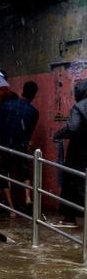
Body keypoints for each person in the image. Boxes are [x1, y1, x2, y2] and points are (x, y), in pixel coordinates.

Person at [0, 81, 40, 213]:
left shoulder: (6, 105)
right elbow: (29, 132)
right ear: (34, 94)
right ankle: (27, 198)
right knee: (24, 171)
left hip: (5, 144)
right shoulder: (33, 112)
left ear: (23, 90)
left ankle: (11, 208)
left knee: (4, 173)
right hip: (21, 144)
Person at [53, 79, 87, 228]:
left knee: (72, 183)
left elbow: (72, 128)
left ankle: (69, 218)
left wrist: (58, 134)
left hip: (79, 152)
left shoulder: (79, 107)